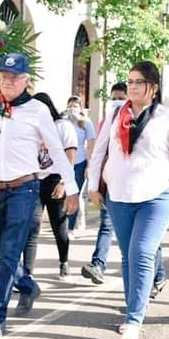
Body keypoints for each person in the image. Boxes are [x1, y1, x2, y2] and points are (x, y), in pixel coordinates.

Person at [88, 61, 169, 339]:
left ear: (153, 87)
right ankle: (132, 308)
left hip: (156, 196)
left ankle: (134, 321)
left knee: (141, 253)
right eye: (130, 81)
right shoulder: (116, 114)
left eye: (139, 82)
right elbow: (101, 150)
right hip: (119, 195)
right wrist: (93, 186)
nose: (133, 87)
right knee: (128, 256)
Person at [0, 54, 79, 339]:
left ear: (25, 81)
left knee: (10, 252)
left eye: (14, 78)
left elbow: (57, 150)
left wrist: (71, 188)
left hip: (25, 190)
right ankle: (27, 284)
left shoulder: (37, 110)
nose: (8, 82)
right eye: (3, 77)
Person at [80, 82, 167, 298]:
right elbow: (98, 151)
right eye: (115, 97)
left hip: (147, 192)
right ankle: (99, 265)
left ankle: (157, 275)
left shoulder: (158, 119)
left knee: (145, 244)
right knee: (108, 229)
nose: (118, 100)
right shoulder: (109, 119)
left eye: (121, 96)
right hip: (113, 188)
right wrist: (93, 183)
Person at [23, 92, 77, 280]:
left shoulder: (62, 126)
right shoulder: (31, 127)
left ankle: (64, 261)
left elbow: (70, 155)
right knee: (32, 226)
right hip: (35, 181)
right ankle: (27, 272)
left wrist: (64, 182)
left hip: (55, 179)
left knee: (59, 225)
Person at [64, 95, 96, 239]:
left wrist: (89, 165)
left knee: (74, 194)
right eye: (70, 105)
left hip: (79, 163)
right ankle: (62, 224)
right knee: (62, 195)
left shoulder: (86, 123)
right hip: (63, 163)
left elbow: (90, 145)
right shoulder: (63, 122)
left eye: (75, 106)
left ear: (81, 108)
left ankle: (70, 228)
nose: (72, 108)